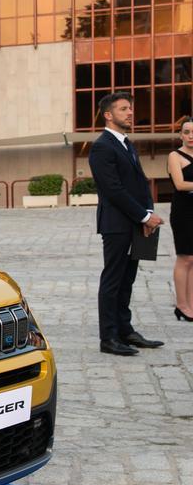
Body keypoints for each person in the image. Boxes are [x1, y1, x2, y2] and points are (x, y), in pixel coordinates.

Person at [88, 92, 165, 355]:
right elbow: (113, 190)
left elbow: (140, 183)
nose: (130, 112)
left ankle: (125, 331)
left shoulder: (126, 144)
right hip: (116, 225)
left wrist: (148, 214)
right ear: (108, 115)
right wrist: (144, 216)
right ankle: (108, 338)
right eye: (123, 109)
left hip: (135, 222)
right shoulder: (101, 147)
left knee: (127, 280)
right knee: (113, 279)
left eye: (130, 108)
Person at [167, 116, 193, 320]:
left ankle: (191, 304)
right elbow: (180, 184)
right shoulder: (174, 156)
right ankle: (182, 306)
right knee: (185, 258)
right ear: (180, 135)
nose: (191, 136)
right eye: (186, 132)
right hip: (184, 212)